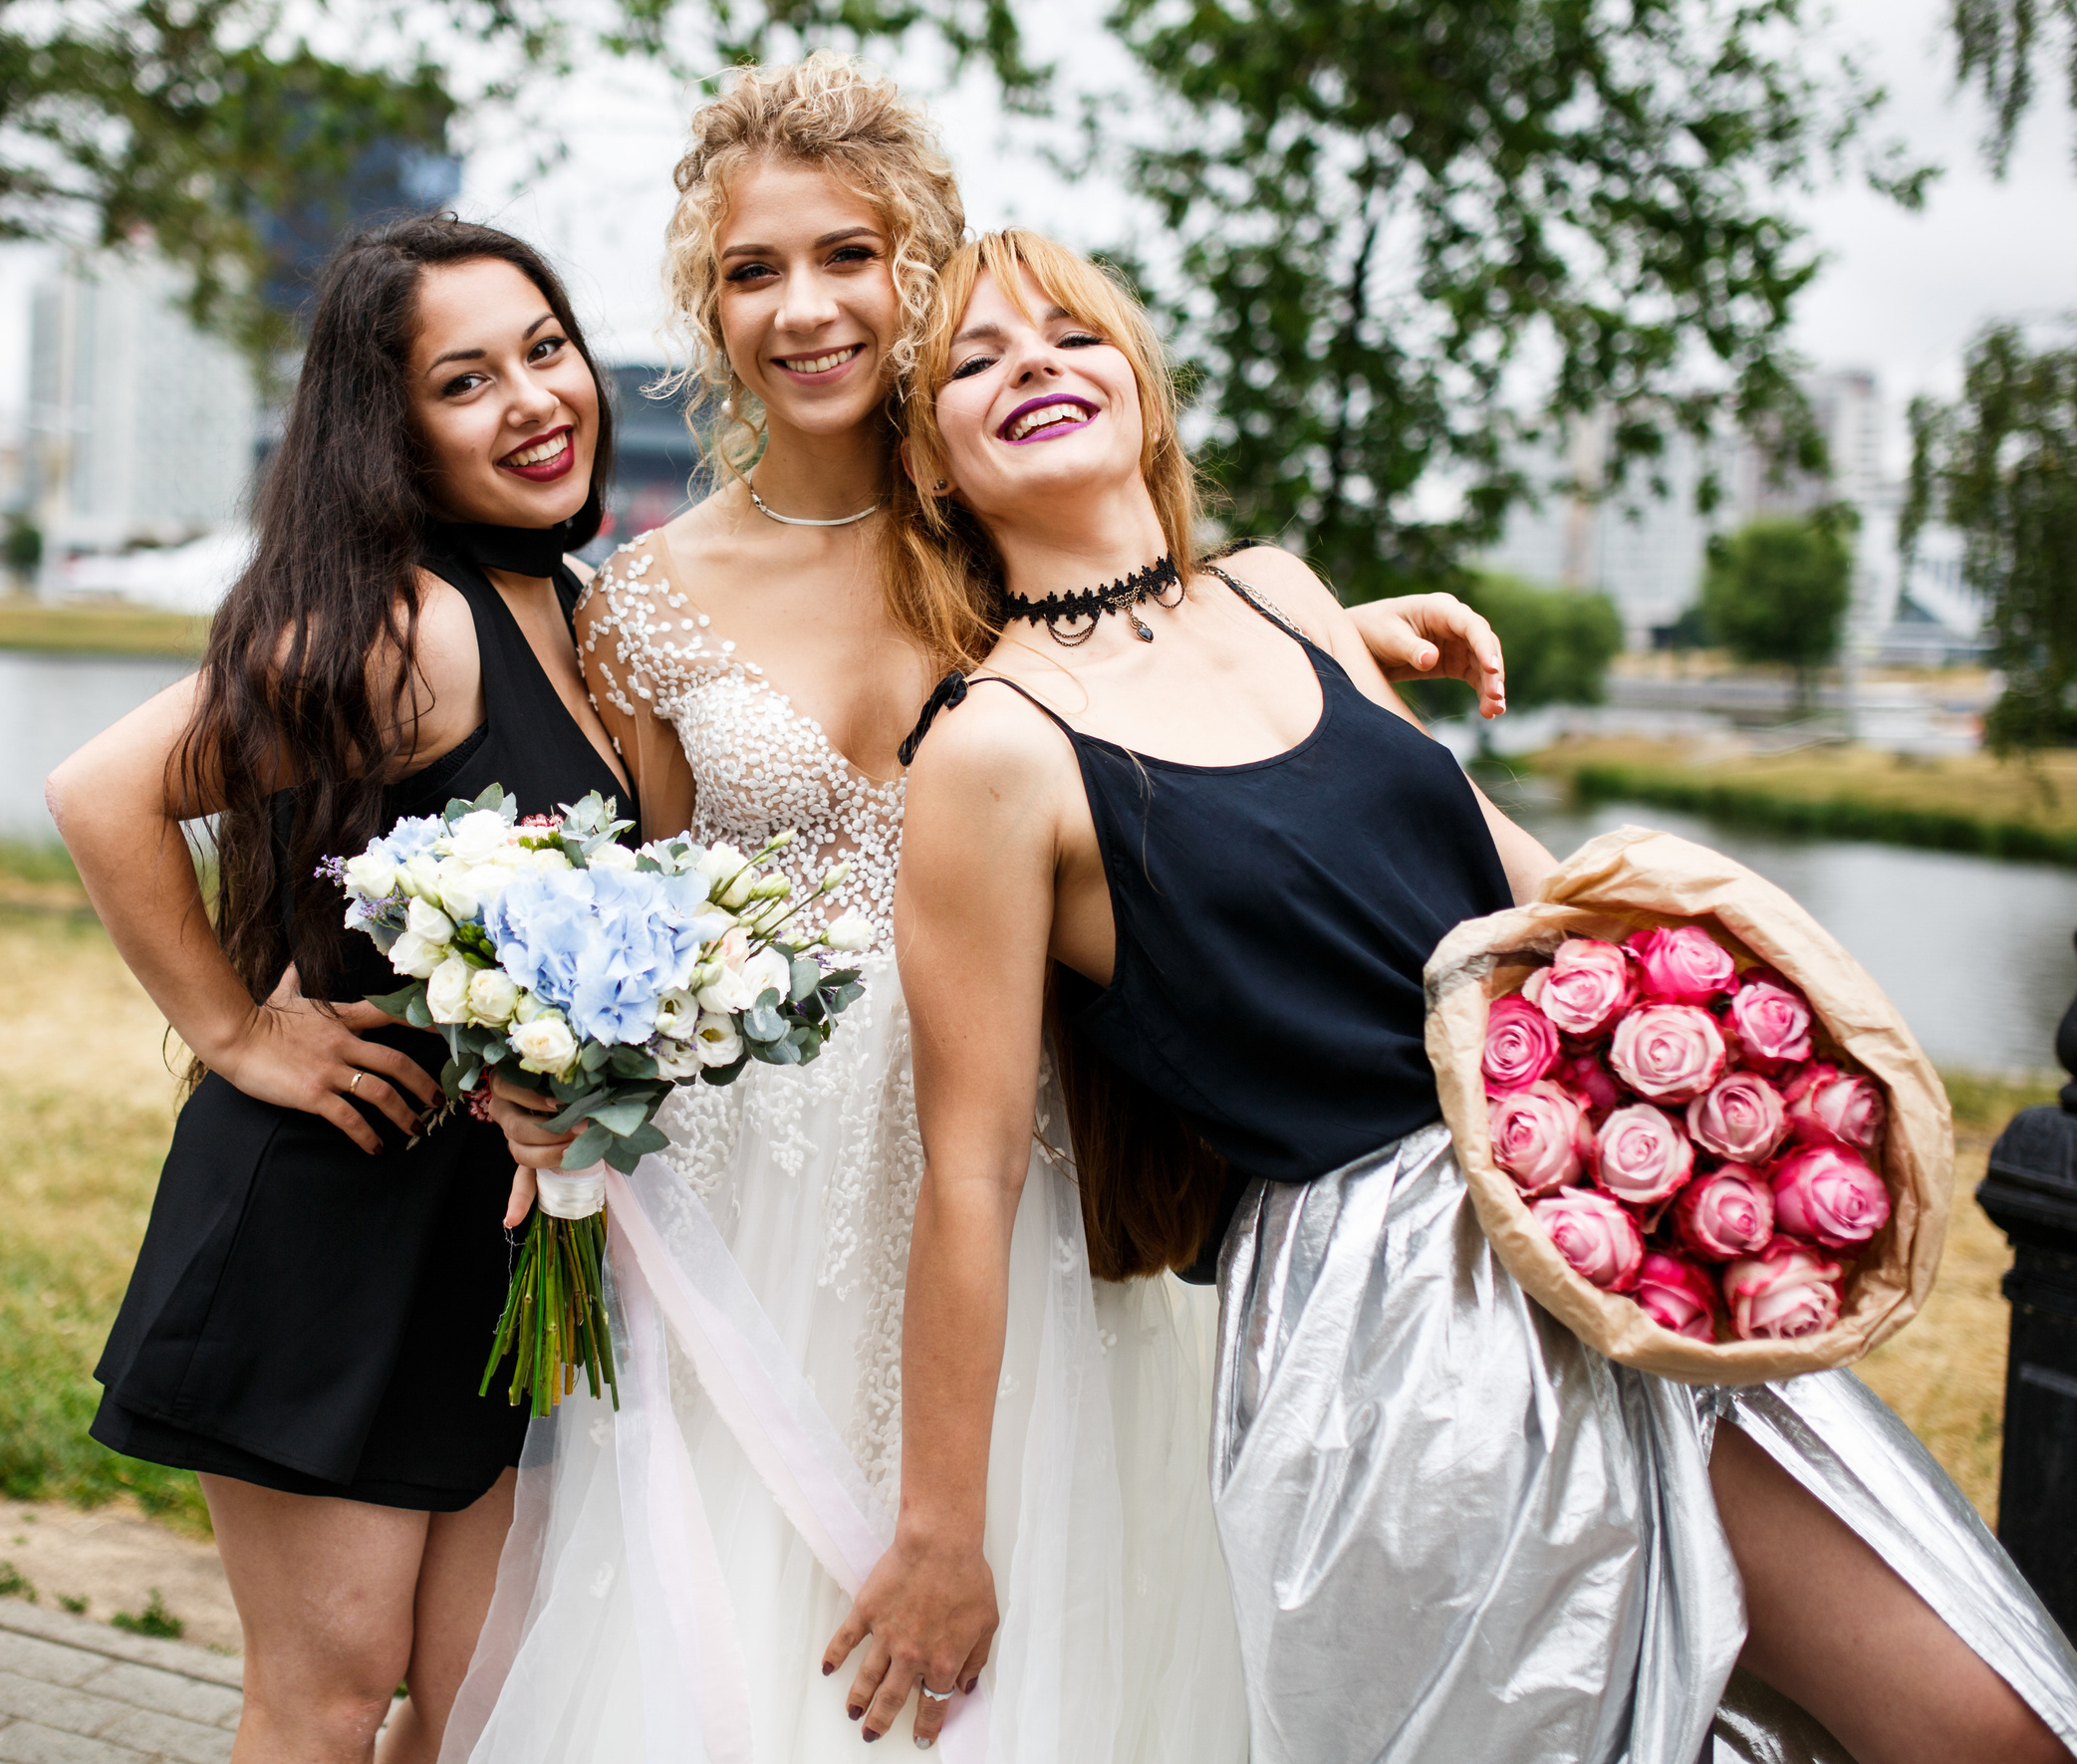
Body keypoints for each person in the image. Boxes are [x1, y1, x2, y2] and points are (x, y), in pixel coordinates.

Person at [827, 224, 2077, 1764]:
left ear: (1141, 389)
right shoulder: (993, 753)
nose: (1034, 365)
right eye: (977, 360)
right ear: (932, 465)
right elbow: (970, 1173)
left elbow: (1524, 890)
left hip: (1599, 1185)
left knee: (1989, 1726)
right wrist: (942, 1532)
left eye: (1072, 335)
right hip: (1391, 1318)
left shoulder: (1282, 597)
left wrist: (1751, 1077)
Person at [450, 58, 1510, 1764]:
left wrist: (1340, 628)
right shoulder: (639, 601)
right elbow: (652, 905)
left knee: (1054, 1598)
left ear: (920, 269)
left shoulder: (1000, 519)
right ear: (709, 312)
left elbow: (1170, 655)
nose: (805, 309)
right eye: (752, 271)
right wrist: (558, 1067)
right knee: (744, 1619)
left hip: (1028, 1144)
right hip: (759, 1181)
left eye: (849, 256)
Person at [45, 216, 634, 1764]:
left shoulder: (570, 607)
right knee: (328, 1698)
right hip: (333, 1216)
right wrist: (237, 1032)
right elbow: (104, 791)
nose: (533, 399)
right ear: (396, 431)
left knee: (483, 1700)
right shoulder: (408, 623)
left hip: (491, 1241)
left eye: (546, 350)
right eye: (466, 380)